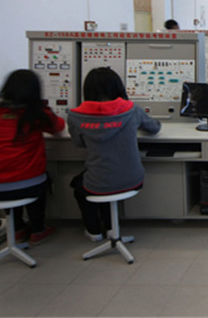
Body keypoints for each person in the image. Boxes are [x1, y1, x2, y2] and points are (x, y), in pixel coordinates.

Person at [0, 70, 65, 245]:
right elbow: (59, 127)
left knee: (12, 179)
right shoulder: (36, 115)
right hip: (25, 186)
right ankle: (38, 229)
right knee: (37, 180)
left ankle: (17, 229)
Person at [68, 67, 161, 241]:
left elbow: (79, 143)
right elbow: (154, 128)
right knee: (104, 179)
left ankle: (94, 231)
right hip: (132, 180)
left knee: (83, 184)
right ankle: (111, 228)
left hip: (98, 182)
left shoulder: (75, 116)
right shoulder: (132, 110)